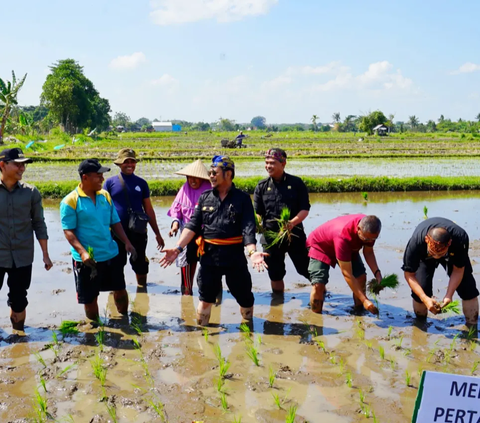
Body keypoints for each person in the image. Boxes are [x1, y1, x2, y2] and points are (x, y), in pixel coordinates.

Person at [160, 155, 268, 325]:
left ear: (228, 174)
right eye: (210, 172)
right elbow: (192, 225)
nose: (210, 176)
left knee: (245, 297)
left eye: (214, 173)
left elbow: (248, 228)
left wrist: (252, 252)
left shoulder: (242, 199)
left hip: (234, 257)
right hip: (209, 257)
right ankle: (202, 334)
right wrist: (178, 248)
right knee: (205, 298)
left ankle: (248, 329)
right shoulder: (205, 197)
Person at [60, 159, 136, 321]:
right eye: (98, 176)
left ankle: (124, 320)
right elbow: (68, 231)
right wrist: (82, 252)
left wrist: (127, 242)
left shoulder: (105, 196)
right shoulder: (71, 201)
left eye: (102, 175)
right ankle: (95, 328)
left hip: (110, 253)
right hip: (88, 259)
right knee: (90, 297)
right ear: (85, 177)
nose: (102, 179)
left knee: (120, 289)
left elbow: (114, 222)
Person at [0, 148, 53, 333]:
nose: (22, 168)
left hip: (22, 256)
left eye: (24, 165)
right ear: (2, 165)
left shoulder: (31, 193)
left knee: (19, 299)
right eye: (17, 164)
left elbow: (39, 223)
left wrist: (45, 254)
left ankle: (19, 337)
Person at [104, 148, 165, 287]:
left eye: (132, 161)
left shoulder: (141, 183)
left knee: (140, 263)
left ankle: (142, 291)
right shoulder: (110, 183)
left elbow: (148, 209)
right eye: (126, 162)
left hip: (138, 230)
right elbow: (104, 209)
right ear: (119, 164)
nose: (130, 164)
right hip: (116, 232)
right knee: (116, 263)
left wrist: (157, 233)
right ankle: (117, 290)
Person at [402, 217, 479, 326]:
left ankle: (472, 326)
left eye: (440, 254)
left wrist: (449, 295)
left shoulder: (459, 239)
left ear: (450, 243)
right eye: (434, 254)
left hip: (451, 253)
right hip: (425, 255)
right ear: (426, 240)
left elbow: (458, 270)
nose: (437, 257)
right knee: (421, 288)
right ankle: (420, 323)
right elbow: (409, 274)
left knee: (467, 287)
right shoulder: (416, 243)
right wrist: (424, 298)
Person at [254, 148, 311, 294]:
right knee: (275, 273)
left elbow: (304, 209)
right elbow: (259, 213)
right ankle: (278, 302)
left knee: (305, 268)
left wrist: (292, 223)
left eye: (272, 163)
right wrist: (256, 223)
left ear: (283, 163)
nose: (268, 166)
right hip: (271, 237)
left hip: (294, 234)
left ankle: (320, 293)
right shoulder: (261, 186)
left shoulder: (297, 183)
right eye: (266, 163)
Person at [307, 214, 382, 315]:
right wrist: (365, 300)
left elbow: (368, 252)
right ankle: (316, 319)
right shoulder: (343, 236)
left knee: (361, 277)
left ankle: (359, 312)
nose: (370, 242)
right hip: (321, 246)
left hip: (348, 247)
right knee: (318, 284)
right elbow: (347, 274)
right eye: (366, 239)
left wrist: (377, 273)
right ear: (358, 229)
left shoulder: (369, 228)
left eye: (373, 239)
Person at [167, 159, 211, 295]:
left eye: (196, 178)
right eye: (190, 177)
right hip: (187, 233)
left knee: (210, 266)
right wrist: (175, 224)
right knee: (186, 262)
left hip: (206, 234)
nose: (192, 180)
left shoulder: (210, 190)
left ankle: (214, 294)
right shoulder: (184, 189)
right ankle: (186, 293)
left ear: (202, 179)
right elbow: (177, 210)